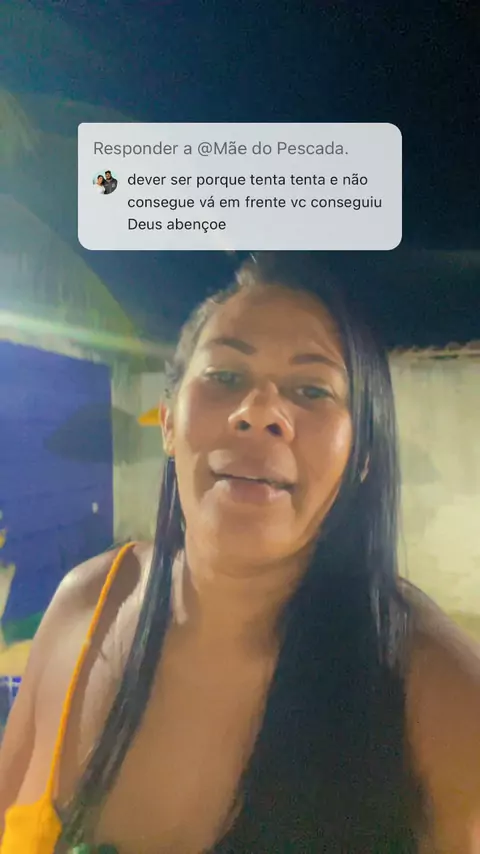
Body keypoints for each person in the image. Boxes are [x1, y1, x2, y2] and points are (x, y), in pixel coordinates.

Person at [0, 252, 479, 853]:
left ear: (362, 456)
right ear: (168, 422)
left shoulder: (442, 703)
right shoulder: (83, 609)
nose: (258, 413)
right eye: (225, 377)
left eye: (311, 389)